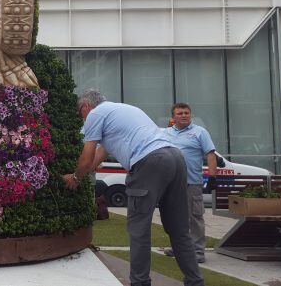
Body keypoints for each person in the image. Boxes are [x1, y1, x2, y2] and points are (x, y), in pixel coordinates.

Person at [63, 89, 204, 286]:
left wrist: (75, 177)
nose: (82, 119)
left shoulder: (95, 114)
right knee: (179, 229)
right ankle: (195, 282)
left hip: (149, 162)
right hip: (175, 158)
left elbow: (86, 158)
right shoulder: (122, 110)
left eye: (81, 113)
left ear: (86, 106)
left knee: (139, 229)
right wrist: (84, 173)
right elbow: (100, 155)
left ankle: (140, 283)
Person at [162, 103, 217, 263]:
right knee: (174, 218)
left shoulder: (200, 132)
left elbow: (211, 154)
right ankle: (178, 247)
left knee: (194, 218)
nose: (184, 115)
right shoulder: (165, 133)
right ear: (173, 117)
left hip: (191, 183)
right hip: (171, 184)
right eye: (180, 113)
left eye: (186, 113)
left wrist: (213, 177)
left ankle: (198, 252)